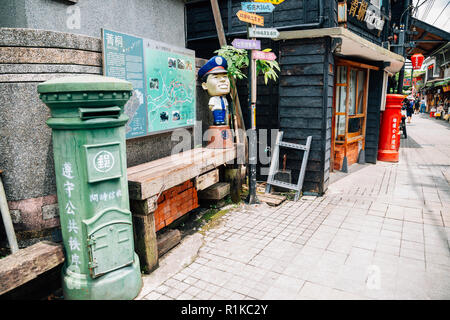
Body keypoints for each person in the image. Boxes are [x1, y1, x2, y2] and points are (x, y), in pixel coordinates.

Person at [198, 56, 230, 125]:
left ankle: (221, 121)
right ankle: (217, 121)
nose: (223, 80)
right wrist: (212, 108)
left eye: (225, 76)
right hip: (216, 110)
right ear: (205, 85)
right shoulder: (213, 99)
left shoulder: (223, 99)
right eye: (216, 77)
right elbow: (211, 106)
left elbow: (226, 105)